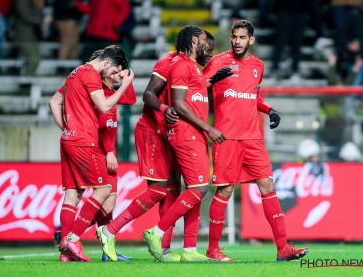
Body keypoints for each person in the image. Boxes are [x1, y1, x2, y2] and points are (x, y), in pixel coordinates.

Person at [96, 29, 219, 262]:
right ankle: (110, 230)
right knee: (158, 190)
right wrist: (164, 110)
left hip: (170, 132)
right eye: (207, 48)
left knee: (175, 191)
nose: (209, 54)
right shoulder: (170, 61)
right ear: (194, 42)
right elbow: (149, 94)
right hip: (153, 130)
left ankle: (164, 249)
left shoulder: (191, 66)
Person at [202, 19, 308, 262]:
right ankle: (213, 250)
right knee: (226, 189)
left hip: (252, 138)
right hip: (226, 137)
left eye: (242, 38)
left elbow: (252, 96)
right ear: (230, 38)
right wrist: (212, 80)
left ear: (251, 40)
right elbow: (196, 87)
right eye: (234, 37)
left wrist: (269, 109)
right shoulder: (218, 61)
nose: (237, 41)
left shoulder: (257, 66)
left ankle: (283, 248)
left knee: (268, 186)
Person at [48, 45, 134, 261]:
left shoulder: (76, 72)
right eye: (114, 72)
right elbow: (104, 106)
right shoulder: (91, 75)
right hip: (84, 140)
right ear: (106, 63)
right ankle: (72, 237)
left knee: (73, 194)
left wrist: (67, 129)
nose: (114, 76)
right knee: (103, 190)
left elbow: (53, 101)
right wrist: (123, 86)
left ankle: (66, 253)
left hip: (69, 139)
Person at [14, 0, 51, 75]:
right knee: (34, 59)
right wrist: (42, 20)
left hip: (32, 35)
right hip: (24, 36)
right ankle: (27, 81)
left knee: (35, 58)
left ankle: (28, 79)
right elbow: (26, 15)